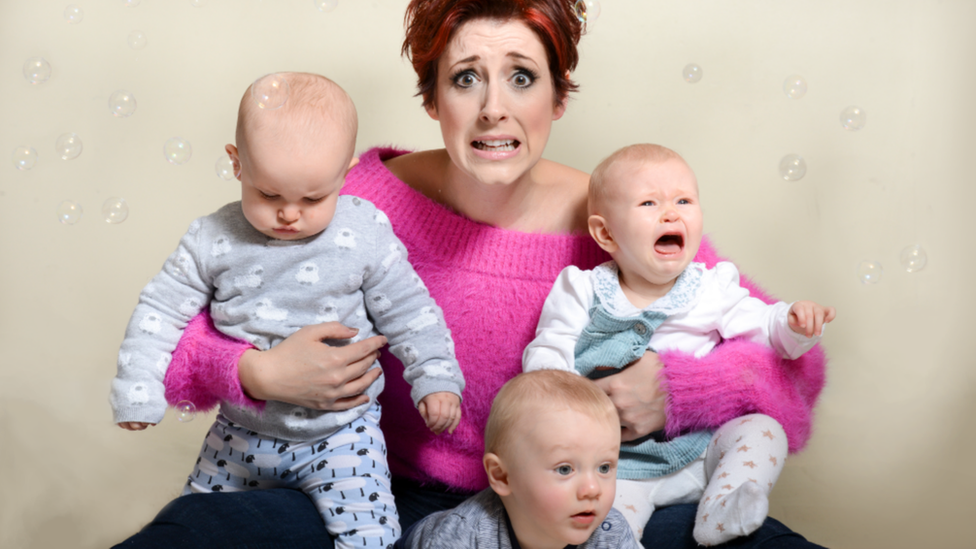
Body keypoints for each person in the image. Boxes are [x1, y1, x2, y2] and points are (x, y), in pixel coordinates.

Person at [114, 1, 827, 547]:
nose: (494, 108)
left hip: (579, 506)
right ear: (431, 99)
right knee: (191, 536)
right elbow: (173, 340)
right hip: (371, 498)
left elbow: (797, 364)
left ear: (558, 98)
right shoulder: (355, 204)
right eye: (465, 79)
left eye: (522, 77)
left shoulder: (617, 215)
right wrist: (254, 373)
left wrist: (678, 388)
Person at [109, 73, 464, 549]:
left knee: (373, 539)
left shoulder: (363, 232)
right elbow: (160, 311)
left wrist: (436, 378)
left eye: (313, 198)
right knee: (190, 525)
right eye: (269, 194)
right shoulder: (212, 238)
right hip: (240, 435)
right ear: (237, 165)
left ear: (346, 173)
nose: (289, 214)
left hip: (341, 437)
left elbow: (409, 310)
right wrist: (138, 387)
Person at [522, 144, 836, 546]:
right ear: (605, 232)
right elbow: (550, 352)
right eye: (649, 202)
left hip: (699, 455)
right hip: (618, 470)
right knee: (606, 533)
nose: (671, 213)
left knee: (763, 429)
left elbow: (765, 329)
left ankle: (720, 509)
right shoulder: (581, 289)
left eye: (684, 200)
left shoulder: (711, 286)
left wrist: (794, 322)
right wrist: (559, 413)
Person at [395, 369, 641, 549]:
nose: (592, 489)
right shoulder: (464, 536)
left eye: (604, 467)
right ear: (502, 476)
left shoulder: (610, 533)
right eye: (565, 469)